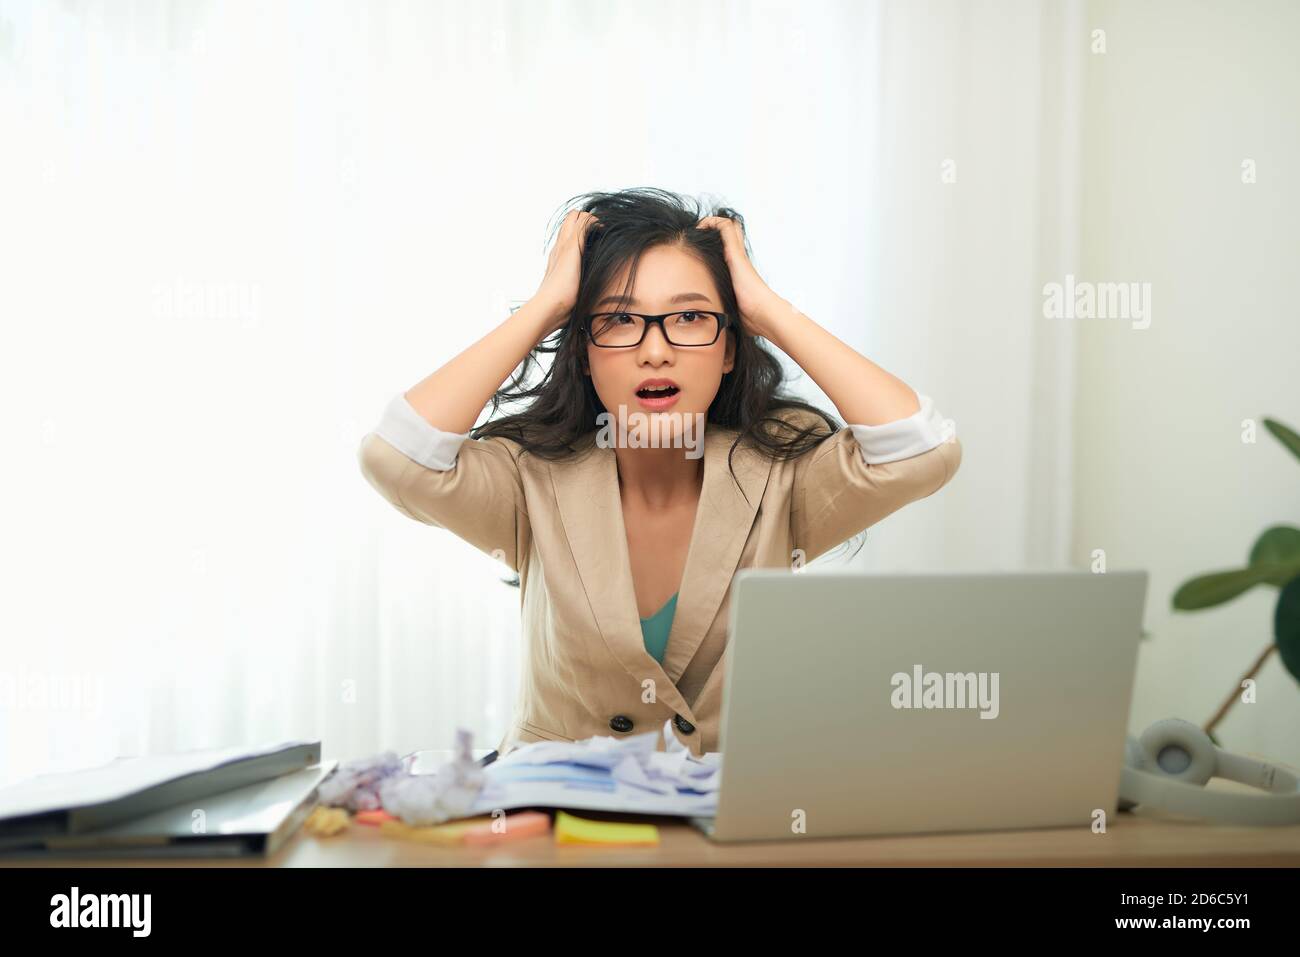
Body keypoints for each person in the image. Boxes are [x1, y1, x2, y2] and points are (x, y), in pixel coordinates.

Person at [358, 187, 962, 757]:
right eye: (619, 320)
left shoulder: (785, 474)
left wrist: (768, 311)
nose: (655, 349)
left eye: (691, 318)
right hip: (556, 826)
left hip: (727, 828)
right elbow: (396, 458)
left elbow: (920, 451)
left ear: (731, 348)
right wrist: (548, 307)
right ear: (584, 352)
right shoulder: (529, 477)